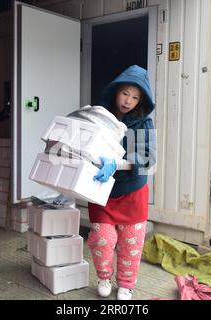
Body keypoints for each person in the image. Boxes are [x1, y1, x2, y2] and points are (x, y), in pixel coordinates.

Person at [87, 65, 156, 300]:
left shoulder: (142, 123)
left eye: (135, 97)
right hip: (102, 190)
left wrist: (117, 164)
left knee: (131, 243)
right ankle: (104, 277)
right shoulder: (99, 117)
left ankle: (126, 284)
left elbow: (146, 158)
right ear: (116, 91)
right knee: (100, 239)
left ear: (141, 101)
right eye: (125, 93)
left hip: (132, 192)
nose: (128, 101)